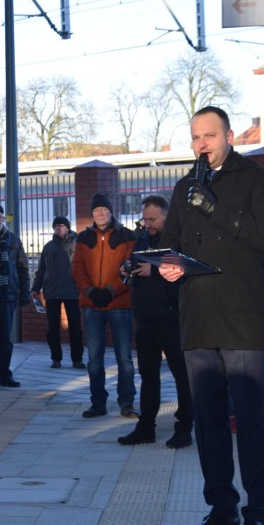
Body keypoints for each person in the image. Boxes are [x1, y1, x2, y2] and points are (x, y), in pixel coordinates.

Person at [159, 106, 264, 525]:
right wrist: (169, 265)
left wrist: (215, 208)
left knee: (249, 418)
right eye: (195, 137)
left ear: (229, 136)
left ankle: (259, 507)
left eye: (209, 136)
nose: (201, 145)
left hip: (239, 315)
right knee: (207, 418)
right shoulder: (184, 187)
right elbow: (171, 240)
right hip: (196, 315)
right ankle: (221, 503)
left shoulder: (255, 179)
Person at [117, 195, 193, 449]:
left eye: (153, 219)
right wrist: (126, 268)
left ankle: (184, 427)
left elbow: (187, 270)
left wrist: (156, 270)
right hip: (145, 316)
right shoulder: (142, 238)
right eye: (145, 218)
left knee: (182, 375)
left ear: (166, 216)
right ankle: (146, 426)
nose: (148, 224)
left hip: (172, 317)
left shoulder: (180, 238)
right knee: (148, 375)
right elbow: (137, 264)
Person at [71, 192, 138, 419]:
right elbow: (77, 268)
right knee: (94, 360)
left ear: (111, 211)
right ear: (92, 214)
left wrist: (109, 290)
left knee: (125, 359)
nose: (100, 213)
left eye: (104, 209)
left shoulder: (127, 236)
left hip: (119, 304)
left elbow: (130, 269)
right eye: (96, 210)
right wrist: (90, 291)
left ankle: (127, 402)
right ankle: (97, 403)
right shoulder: (83, 238)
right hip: (91, 305)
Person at [0, 205, 30, 388]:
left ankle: (5, 375)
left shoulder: (13, 239)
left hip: (8, 293)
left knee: (5, 338)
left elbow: (23, 267)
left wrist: (25, 292)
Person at [30, 216, 85, 370]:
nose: (59, 228)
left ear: (68, 227)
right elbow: (41, 270)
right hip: (52, 291)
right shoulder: (48, 247)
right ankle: (56, 358)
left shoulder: (78, 244)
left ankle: (77, 359)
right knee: (52, 328)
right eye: (56, 226)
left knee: (75, 327)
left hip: (72, 291)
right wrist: (35, 288)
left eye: (62, 225)